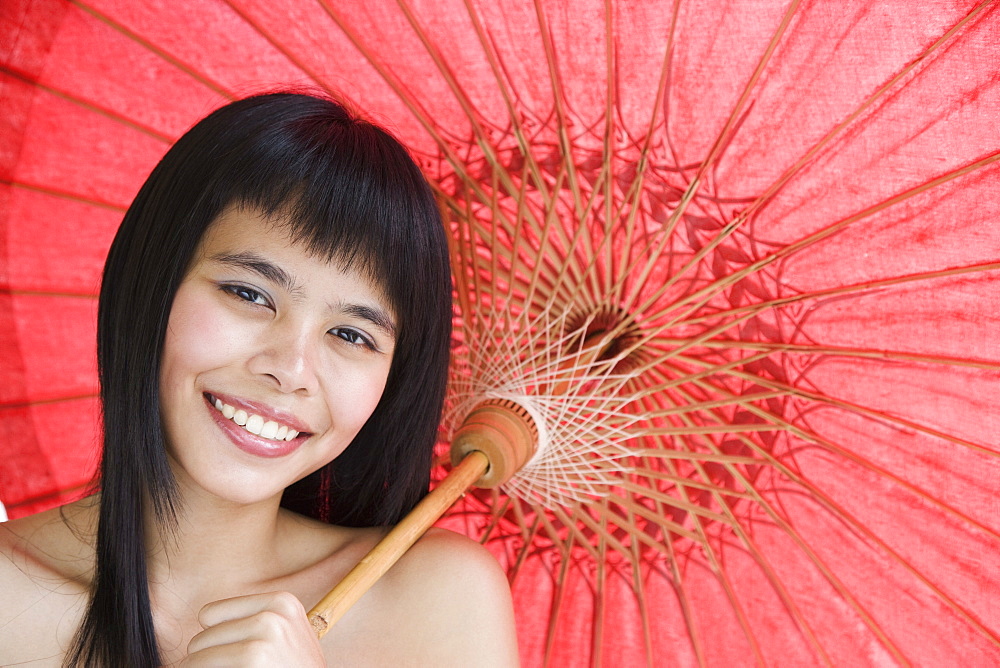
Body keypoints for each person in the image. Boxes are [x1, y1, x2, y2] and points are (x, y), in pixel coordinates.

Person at [0, 92, 519, 667]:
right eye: (250, 294)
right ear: (154, 280)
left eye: (352, 335)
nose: (290, 370)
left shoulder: (437, 602)